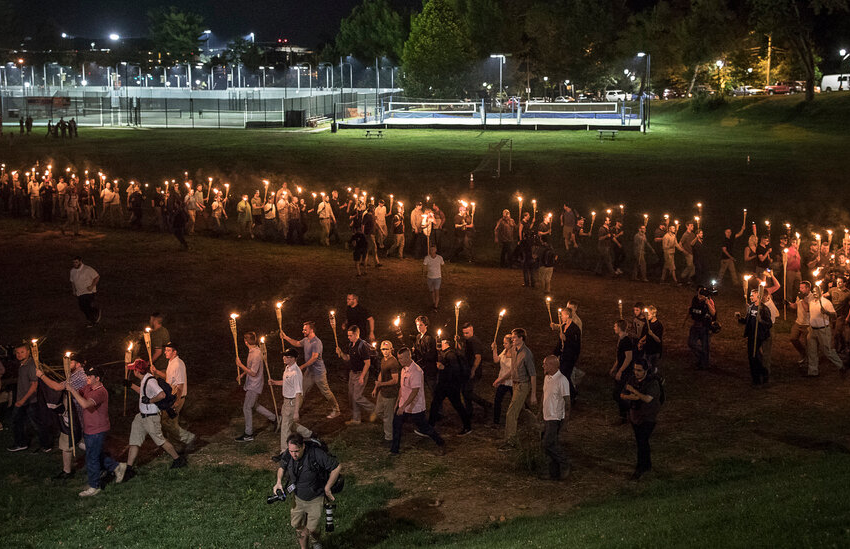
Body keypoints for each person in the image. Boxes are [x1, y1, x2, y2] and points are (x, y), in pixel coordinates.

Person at [66, 366, 127, 496]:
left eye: (90, 376)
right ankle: (116, 466)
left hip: (98, 430)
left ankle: (94, 486)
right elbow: (73, 391)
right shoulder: (88, 387)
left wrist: (72, 390)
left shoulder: (100, 392)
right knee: (95, 454)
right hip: (89, 428)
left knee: (91, 458)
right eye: (87, 375)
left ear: (97, 378)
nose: (87, 378)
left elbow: (85, 404)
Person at [119, 359, 187, 476]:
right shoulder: (145, 380)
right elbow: (143, 392)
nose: (132, 372)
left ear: (137, 371)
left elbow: (161, 394)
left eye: (133, 370)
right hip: (141, 417)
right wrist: (130, 385)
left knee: (160, 441)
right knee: (134, 441)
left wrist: (150, 400)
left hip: (151, 417)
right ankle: (129, 469)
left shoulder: (150, 381)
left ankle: (178, 459)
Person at [274, 433, 341, 549]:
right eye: (291, 451)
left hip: (315, 497)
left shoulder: (315, 454)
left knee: (313, 528)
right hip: (298, 498)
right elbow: (282, 466)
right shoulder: (289, 453)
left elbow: (336, 467)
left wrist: (327, 487)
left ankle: (315, 540)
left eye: (296, 451)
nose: (293, 455)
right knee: (298, 527)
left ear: (303, 446)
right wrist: (278, 481)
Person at [35, 354, 87, 477]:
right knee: (66, 443)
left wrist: (41, 375)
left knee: (83, 443)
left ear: (78, 364)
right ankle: (67, 471)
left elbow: (57, 387)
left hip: (78, 417)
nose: (68, 365)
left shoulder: (80, 377)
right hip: (70, 416)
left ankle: (107, 463)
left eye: (71, 362)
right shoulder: (72, 376)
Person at [391, 347, 446, 455]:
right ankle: (394, 450)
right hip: (404, 405)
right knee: (396, 425)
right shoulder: (403, 370)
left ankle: (441, 443)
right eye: (398, 358)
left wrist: (403, 406)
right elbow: (402, 388)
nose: (399, 361)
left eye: (401, 358)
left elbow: (415, 391)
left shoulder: (416, 371)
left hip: (415, 407)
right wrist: (398, 403)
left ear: (408, 357)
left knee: (424, 427)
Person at [281, 322, 340, 419]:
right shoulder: (306, 340)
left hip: (319, 373)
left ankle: (336, 410)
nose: (303, 331)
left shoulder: (317, 342)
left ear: (311, 330)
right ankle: (294, 412)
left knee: (326, 392)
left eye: (305, 329)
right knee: (301, 391)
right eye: (303, 329)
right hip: (309, 372)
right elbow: (297, 343)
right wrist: (286, 337)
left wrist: (302, 367)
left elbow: (314, 358)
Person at [8, 344, 53, 453]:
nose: (19, 355)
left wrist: (22, 400)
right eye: (17, 353)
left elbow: (34, 385)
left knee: (37, 423)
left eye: (22, 352)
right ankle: (21, 443)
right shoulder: (22, 364)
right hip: (23, 400)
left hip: (30, 401)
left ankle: (46, 446)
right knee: (17, 421)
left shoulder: (31, 365)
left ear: (28, 352)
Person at [620, 362, 662, 480]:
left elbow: (647, 399)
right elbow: (622, 394)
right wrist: (633, 396)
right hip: (635, 416)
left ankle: (640, 468)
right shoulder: (632, 379)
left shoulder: (652, 383)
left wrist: (635, 391)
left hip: (648, 417)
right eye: (635, 370)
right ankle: (647, 464)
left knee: (642, 441)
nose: (636, 373)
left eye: (639, 370)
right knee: (641, 441)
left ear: (646, 371)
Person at [234, 332, 278, 442]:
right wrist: (242, 374)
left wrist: (240, 365)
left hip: (255, 384)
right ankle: (275, 418)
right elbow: (250, 368)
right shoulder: (252, 351)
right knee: (254, 405)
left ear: (245, 342)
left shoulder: (257, 354)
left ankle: (248, 434)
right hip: (251, 383)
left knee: (247, 407)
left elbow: (253, 372)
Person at [269, 348, 315, 451]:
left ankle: (284, 452)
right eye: (284, 356)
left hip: (293, 401)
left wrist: (296, 412)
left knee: (285, 427)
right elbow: (287, 382)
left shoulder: (296, 373)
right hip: (286, 401)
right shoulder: (287, 368)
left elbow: (298, 392)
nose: (284, 358)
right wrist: (275, 382)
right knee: (291, 424)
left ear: (294, 359)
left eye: (287, 357)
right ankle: (309, 434)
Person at [501, 328, 537, 449]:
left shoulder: (526, 354)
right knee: (520, 410)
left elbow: (532, 374)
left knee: (511, 413)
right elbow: (513, 369)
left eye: (514, 337)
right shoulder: (513, 350)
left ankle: (510, 442)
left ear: (521, 338)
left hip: (522, 385)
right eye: (512, 337)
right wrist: (500, 380)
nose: (512, 339)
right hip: (515, 384)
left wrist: (533, 394)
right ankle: (539, 426)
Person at [429, 338, 472, 434]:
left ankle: (467, 426)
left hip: (449, 386)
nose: (440, 344)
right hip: (445, 385)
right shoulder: (446, 353)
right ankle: (429, 425)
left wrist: (444, 368)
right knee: (435, 404)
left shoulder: (451, 354)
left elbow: (455, 370)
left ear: (446, 343)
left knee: (457, 405)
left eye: (442, 342)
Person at [805, 282, 847, 377]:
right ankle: (813, 372)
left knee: (827, 351)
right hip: (812, 330)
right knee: (812, 351)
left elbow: (834, 315)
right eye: (814, 292)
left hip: (823, 330)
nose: (815, 293)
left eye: (817, 291)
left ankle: (841, 366)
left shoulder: (826, 303)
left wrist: (826, 312)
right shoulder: (811, 302)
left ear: (821, 292)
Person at [335, 325, 374, 425]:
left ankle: (375, 410)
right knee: (352, 396)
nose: (348, 337)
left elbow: (367, 363)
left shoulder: (362, 346)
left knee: (357, 397)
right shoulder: (351, 345)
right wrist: (341, 353)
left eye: (350, 335)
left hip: (361, 373)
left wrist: (362, 376)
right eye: (348, 335)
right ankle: (356, 419)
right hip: (352, 373)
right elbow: (348, 358)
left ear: (356, 334)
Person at [541, 355, 570, 480]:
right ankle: (554, 472)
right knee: (551, 443)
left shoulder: (562, 380)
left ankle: (564, 462)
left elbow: (567, 401)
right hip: (547, 415)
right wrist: (539, 413)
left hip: (555, 417)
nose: (543, 366)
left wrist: (566, 419)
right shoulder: (547, 378)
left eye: (545, 364)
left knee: (547, 444)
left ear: (553, 365)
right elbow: (544, 394)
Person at [736, 288, 773, 385]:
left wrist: (760, 321)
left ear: (759, 296)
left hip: (759, 336)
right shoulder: (751, 307)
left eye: (753, 295)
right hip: (751, 335)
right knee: (751, 357)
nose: (750, 297)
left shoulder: (764, 309)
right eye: (750, 295)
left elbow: (769, 324)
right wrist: (740, 318)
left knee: (754, 356)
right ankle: (756, 378)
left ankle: (763, 373)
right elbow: (747, 320)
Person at [371, 341, 400, 442]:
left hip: (390, 393)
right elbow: (381, 373)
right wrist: (376, 388)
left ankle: (389, 437)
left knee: (388, 416)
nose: (385, 351)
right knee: (378, 412)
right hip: (382, 392)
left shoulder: (393, 362)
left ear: (391, 349)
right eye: (383, 349)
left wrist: (381, 384)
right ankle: (392, 423)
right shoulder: (383, 360)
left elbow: (395, 380)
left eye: (387, 349)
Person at [457, 322, 487, 422]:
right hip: (466, 370)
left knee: (467, 392)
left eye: (467, 333)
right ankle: (469, 412)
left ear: (472, 330)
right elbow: (464, 352)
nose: (465, 335)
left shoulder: (475, 342)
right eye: (464, 333)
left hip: (474, 371)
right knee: (465, 391)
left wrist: (473, 370)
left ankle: (485, 404)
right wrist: (457, 342)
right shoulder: (467, 340)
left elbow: (478, 357)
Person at [551, 307, 581, 402]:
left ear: (567, 315)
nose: (561, 317)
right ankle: (570, 394)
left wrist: (566, 340)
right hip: (563, 356)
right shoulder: (563, 326)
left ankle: (571, 394)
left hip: (570, 356)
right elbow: (560, 343)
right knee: (564, 375)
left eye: (563, 315)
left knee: (564, 375)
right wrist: (554, 354)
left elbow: (576, 345)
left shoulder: (575, 329)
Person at [610, 319, 634, 424]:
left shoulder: (626, 341)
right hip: (621, 370)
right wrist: (614, 368)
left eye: (615, 326)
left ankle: (628, 412)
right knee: (618, 394)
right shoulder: (621, 339)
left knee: (618, 394)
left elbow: (628, 358)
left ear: (619, 328)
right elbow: (619, 357)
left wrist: (620, 371)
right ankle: (624, 414)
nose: (614, 328)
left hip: (626, 372)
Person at [686, 286, 716, 370]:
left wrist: (708, 303)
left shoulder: (708, 301)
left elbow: (713, 313)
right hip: (695, 325)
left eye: (702, 293)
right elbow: (691, 309)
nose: (700, 295)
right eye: (699, 292)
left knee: (705, 346)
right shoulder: (695, 299)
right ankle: (702, 356)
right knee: (691, 343)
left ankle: (704, 365)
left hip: (704, 327)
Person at [70, 256, 100, 327]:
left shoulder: (87, 269)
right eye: (73, 262)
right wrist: (74, 290)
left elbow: (97, 277)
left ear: (80, 262)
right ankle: (95, 312)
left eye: (76, 262)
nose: (75, 264)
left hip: (89, 291)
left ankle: (92, 321)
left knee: (86, 305)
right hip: (80, 292)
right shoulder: (72, 271)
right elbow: (72, 281)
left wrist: (92, 286)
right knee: (82, 307)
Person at [491, 334, 514, 425]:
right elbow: (496, 360)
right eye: (503, 343)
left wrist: (499, 380)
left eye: (505, 343)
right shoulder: (505, 351)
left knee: (516, 402)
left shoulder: (515, 354)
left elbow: (512, 371)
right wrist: (495, 349)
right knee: (497, 401)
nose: (504, 345)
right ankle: (496, 422)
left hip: (512, 382)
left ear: (512, 344)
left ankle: (523, 417)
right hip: (502, 381)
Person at [639, 306, 664, 375]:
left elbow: (658, 340)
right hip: (647, 349)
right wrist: (641, 340)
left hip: (655, 351)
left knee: (653, 368)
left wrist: (652, 334)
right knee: (646, 366)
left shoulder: (658, 325)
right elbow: (647, 334)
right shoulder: (648, 323)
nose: (647, 317)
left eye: (648, 315)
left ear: (654, 314)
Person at [423, 246, 444, 311]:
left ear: (436, 250)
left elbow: (443, 265)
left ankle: (436, 306)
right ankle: (434, 302)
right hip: (430, 277)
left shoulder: (439, 258)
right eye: (431, 249)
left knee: (437, 291)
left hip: (437, 277)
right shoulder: (427, 258)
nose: (432, 250)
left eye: (433, 249)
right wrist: (424, 273)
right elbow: (424, 266)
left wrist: (442, 273)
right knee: (432, 291)